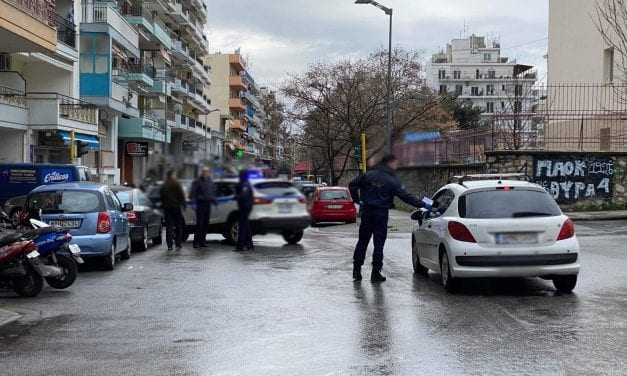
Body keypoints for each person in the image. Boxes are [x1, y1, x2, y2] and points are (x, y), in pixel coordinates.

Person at [349, 154, 425, 283]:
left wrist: (358, 201)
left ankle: (357, 271)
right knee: (379, 244)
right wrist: (424, 204)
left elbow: (352, 185)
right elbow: (406, 196)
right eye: (395, 163)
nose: (396, 166)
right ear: (390, 163)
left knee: (362, 241)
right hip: (381, 214)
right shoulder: (392, 180)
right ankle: (375, 273)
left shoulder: (368, 175)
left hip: (367, 212)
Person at [160, 170, 186, 251]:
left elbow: (161, 196)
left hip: (167, 208)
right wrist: (183, 204)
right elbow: (181, 195)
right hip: (176, 207)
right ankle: (178, 243)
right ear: (172, 175)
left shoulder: (164, 185)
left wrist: (163, 205)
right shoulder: (176, 184)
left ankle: (170, 245)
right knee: (178, 226)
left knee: (169, 227)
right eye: (174, 175)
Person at [190, 167, 216, 248]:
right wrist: (194, 203)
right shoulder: (197, 181)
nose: (206, 173)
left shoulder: (210, 181)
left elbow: (211, 192)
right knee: (199, 224)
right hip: (200, 204)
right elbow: (193, 193)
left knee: (205, 224)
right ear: (202, 172)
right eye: (205, 172)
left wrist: (214, 200)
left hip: (208, 205)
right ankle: (196, 242)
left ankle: (202, 241)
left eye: (207, 172)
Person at [235, 170, 254, 251]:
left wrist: (237, 196)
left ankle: (241, 246)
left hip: (244, 207)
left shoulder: (245, 184)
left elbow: (243, 196)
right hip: (246, 207)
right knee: (246, 226)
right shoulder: (245, 183)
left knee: (242, 227)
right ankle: (249, 244)